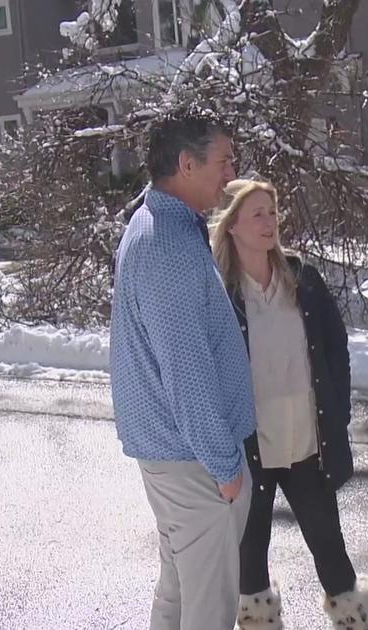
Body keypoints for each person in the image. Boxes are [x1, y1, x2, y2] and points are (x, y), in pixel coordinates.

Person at [209, 178, 368, 630]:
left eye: (272, 212)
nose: (269, 223)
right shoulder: (218, 291)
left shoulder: (302, 277)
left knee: (330, 549)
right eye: (257, 214)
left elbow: (336, 350)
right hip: (251, 447)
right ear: (231, 225)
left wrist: (339, 416)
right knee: (250, 558)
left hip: (305, 443)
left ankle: (359, 623)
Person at [109, 109, 255, 630]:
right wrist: (225, 466)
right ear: (186, 164)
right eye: (223, 160)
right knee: (208, 611)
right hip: (193, 461)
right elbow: (187, 371)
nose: (230, 171)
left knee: (178, 594)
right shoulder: (167, 246)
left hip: (175, 454)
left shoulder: (165, 226)